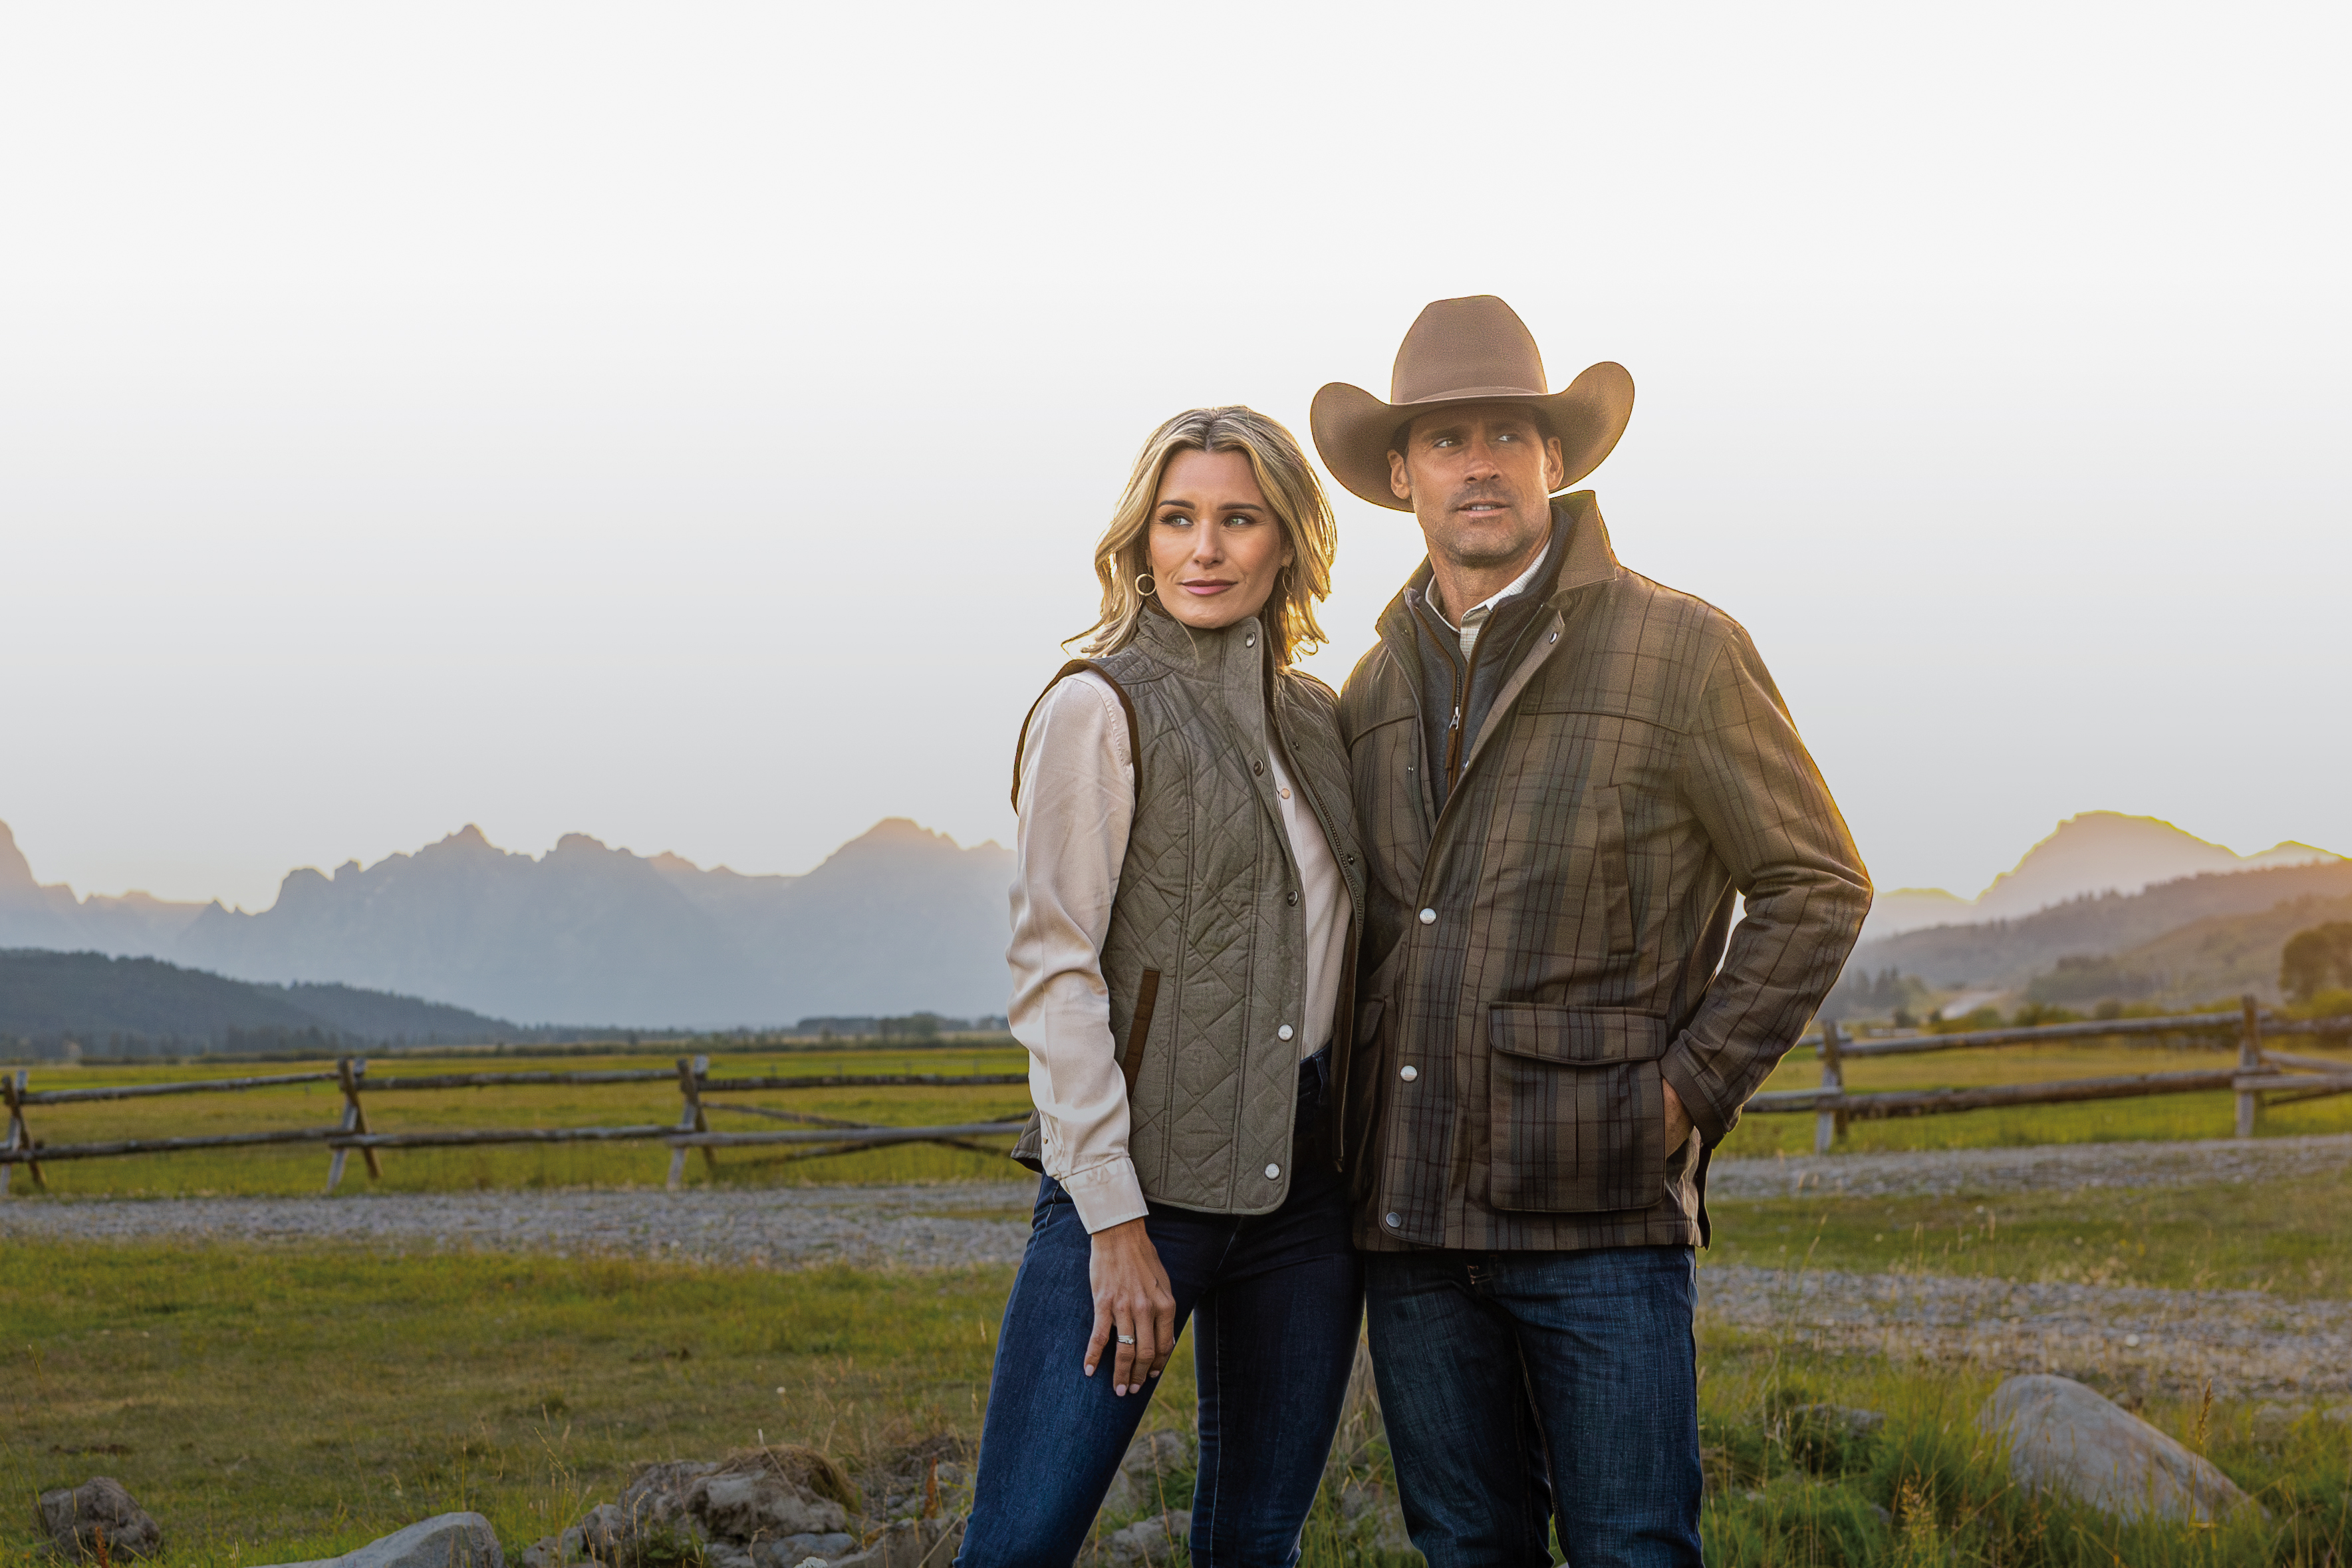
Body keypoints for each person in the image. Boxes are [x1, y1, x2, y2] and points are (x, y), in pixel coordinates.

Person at [1309, 297, 1873, 1567]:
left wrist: (1680, 1095)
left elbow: (1815, 882)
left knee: (1631, 1549)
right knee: (1464, 1549)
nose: (1480, 463)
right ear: (1399, 475)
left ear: (1554, 458)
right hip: (1407, 1234)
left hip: (1599, 1221)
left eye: (1507, 432)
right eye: (1446, 440)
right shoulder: (1371, 689)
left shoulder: (1680, 650)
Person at [959, 406, 1366, 1567]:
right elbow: (1053, 965)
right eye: (1177, 519)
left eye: (1237, 519)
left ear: (1285, 539)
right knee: (1018, 1545)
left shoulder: (1317, 721)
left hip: (1305, 1200)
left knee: (1254, 1546)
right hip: (1143, 1198)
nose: (1204, 548)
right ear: (1139, 541)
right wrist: (1114, 1218)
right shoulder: (1100, 706)